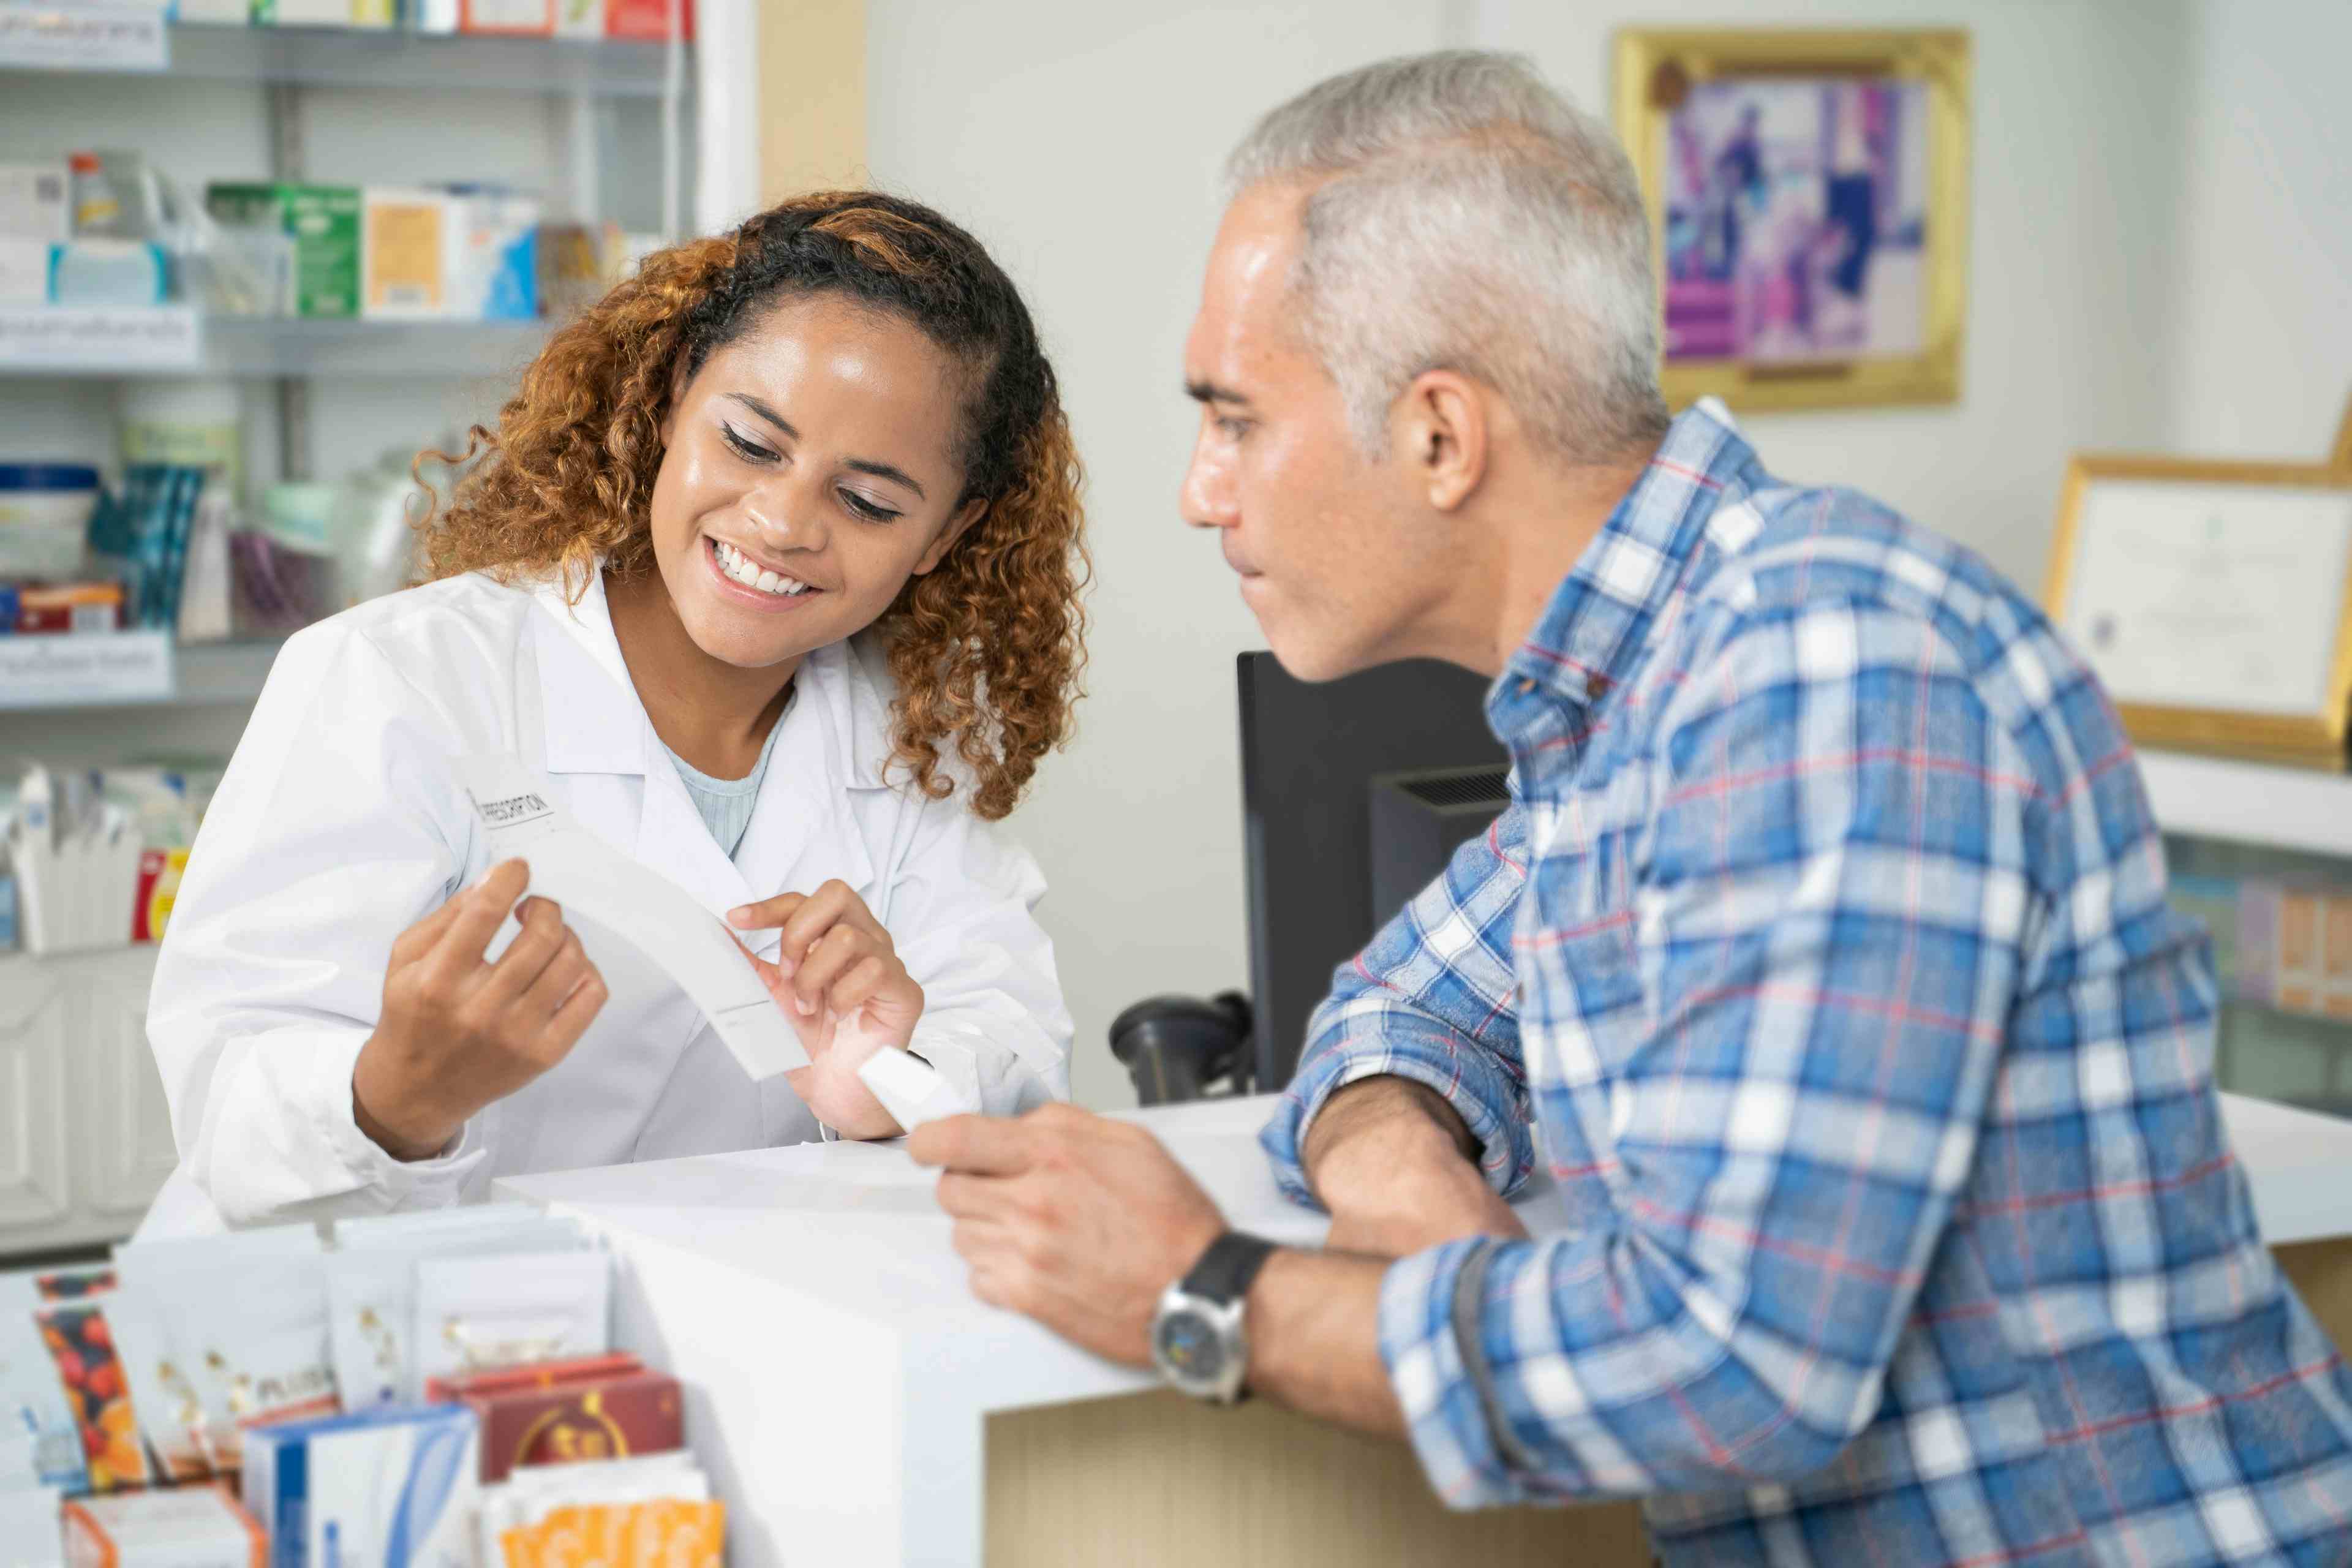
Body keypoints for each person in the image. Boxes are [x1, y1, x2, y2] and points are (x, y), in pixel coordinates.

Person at [911, 51, 2352, 1564]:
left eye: (1235, 419)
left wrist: (1199, 1285)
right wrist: (1406, 1177)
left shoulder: (1815, 667)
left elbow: (1736, 1369)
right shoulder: (1626, 701)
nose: (1204, 492)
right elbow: (1391, 1007)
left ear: (1441, 436)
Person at [145, 191, 1085, 1233]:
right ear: (676, 394)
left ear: (948, 533)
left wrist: (885, 1082)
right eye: (750, 443)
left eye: (866, 503)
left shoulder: (911, 744)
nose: (781, 522)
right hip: (337, 1334)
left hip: (686, 1334)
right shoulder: (399, 678)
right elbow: (226, 1098)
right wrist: (397, 1094)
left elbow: (1016, 1045)